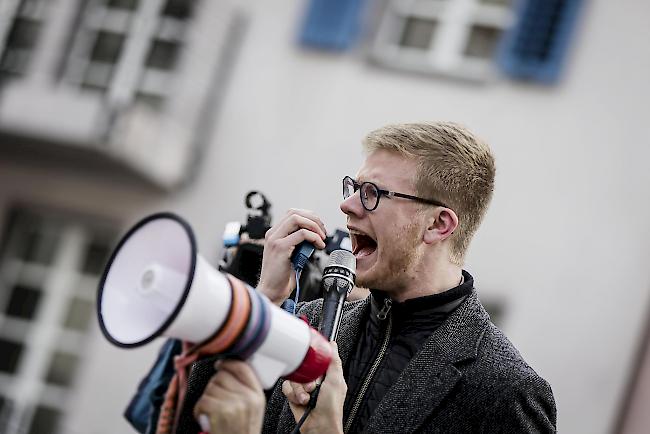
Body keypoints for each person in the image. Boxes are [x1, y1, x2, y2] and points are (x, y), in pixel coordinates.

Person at [183, 121, 557, 433]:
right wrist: (263, 302)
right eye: (353, 188)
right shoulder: (306, 322)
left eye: (372, 194)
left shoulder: (506, 391)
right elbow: (191, 424)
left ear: (438, 224)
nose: (346, 205)